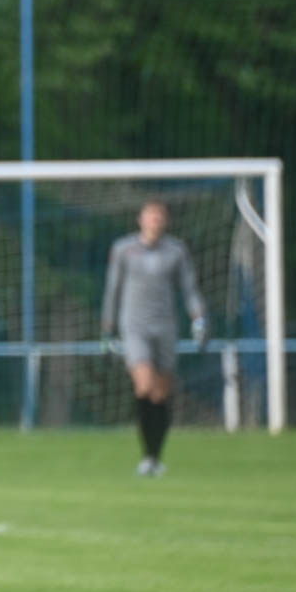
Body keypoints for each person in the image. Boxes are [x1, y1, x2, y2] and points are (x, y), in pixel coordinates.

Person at [101, 199, 208, 476]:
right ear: (140, 220)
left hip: (165, 327)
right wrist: (107, 327)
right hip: (134, 326)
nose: (154, 221)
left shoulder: (176, 251)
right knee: (144, 385)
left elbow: (189, 288)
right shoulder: (124, 249)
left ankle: (153, 456)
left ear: (165, 221)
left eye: (159, 217)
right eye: (150, 216)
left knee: (160, 393)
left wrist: (198, 319)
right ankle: (147, 457)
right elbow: (113, 289)